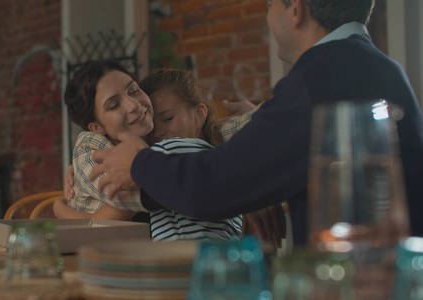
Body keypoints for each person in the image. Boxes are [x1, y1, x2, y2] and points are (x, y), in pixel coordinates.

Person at [88, 0, 423, 245]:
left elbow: (211, 185)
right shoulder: (380, 68)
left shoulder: (318, 79)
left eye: (270, 4)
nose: (268, 16)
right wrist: (259, 190)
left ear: (295, 8)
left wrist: (138, 162)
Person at [54, 62, 245, 240]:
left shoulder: (155, 136)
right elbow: (140, 192)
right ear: (96, 127)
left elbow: (227, 132)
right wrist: (59, 207)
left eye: (134, 91)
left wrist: (255, 114)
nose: (134, 105)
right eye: (113, 105)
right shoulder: (90, 148)